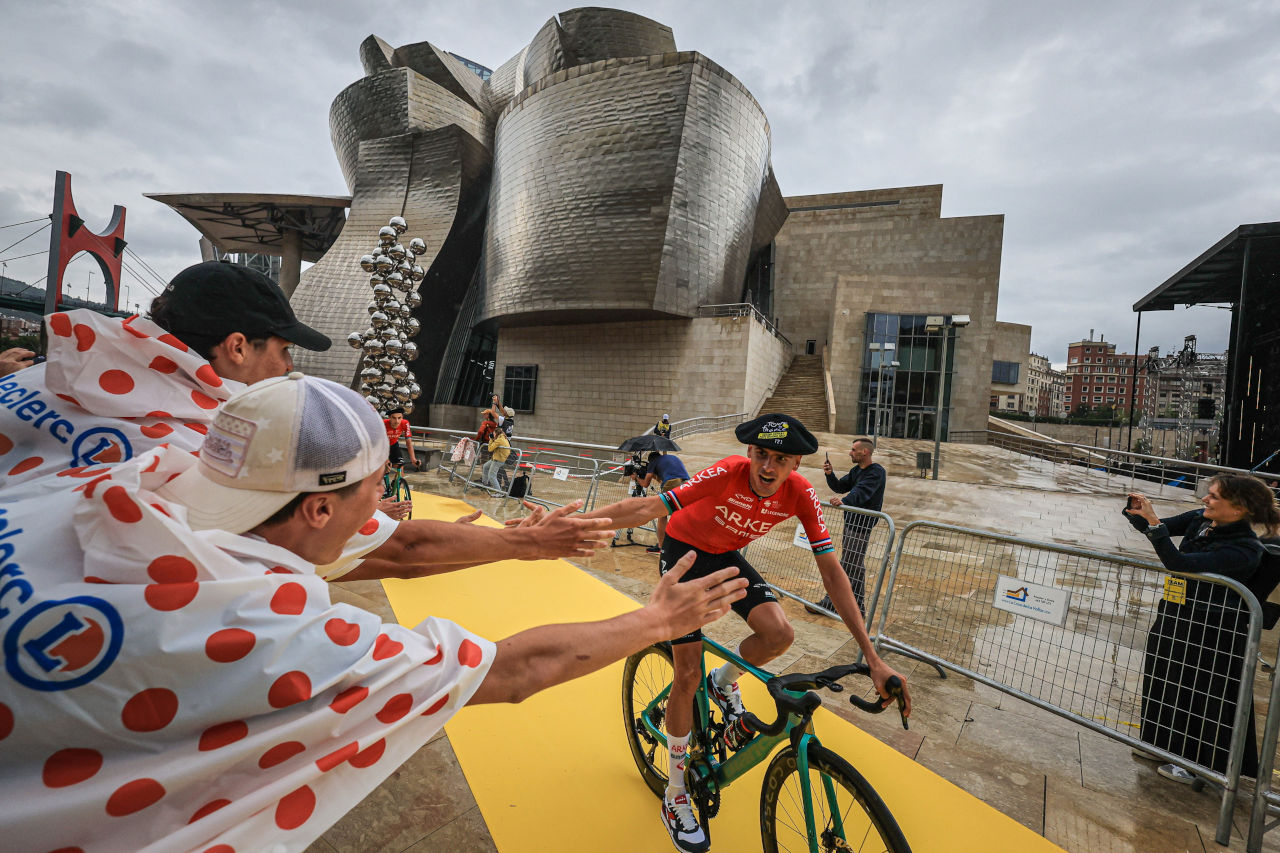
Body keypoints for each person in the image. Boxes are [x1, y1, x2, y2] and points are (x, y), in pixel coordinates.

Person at [0, 373, 747, 852]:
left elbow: (401, 549)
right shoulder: (281, 633)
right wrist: (654, 620)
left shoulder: (118, 479)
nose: (385, 509)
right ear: (320, 506)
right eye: (374, 492)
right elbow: (516, 670)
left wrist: (527, 546)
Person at [579, 413, 909, 853]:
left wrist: (873, 657)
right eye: (761, 455)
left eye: (781, 459)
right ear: (750, 453)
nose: (768, 468)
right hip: (684, 553)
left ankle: (723, 683)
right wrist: (574, 527)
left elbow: (833, 573)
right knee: (686, 674)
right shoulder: (726, 474)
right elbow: (646, 508)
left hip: (726, 555)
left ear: (796, 464)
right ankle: (675, 792)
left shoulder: (802, 495)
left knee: (780, 634)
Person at [0, 260, 331, 492]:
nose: (288, 365)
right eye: (284, 348)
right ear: (237, 347)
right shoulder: (197, 455)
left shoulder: (40, 375)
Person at [1124, 475, 1280, 785]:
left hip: (1213, 631)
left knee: (1203, 695)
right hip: (1176, 614)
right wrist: (1139, 512)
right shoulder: (1200, 519)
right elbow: (1159, 528)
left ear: (1238, 509)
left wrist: (1153, 522)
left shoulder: (1244, 549)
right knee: (1164, 677)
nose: (1205, 500)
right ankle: (1161, 744)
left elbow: (1179, 562)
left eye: (1213, 497)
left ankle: (1200, 765)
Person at [810, 436, 886, 614]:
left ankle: (832, 603)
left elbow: (862, 493)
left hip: (862, 524)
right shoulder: (856, 470)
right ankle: (857, 607)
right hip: (851, 522)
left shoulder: (876, 472)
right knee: (854, 564)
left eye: (853, 450)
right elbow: (840, 486)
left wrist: (844, 501)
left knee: (847, 564)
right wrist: (830, 474)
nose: (850, 453)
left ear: (864, 452)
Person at [636, 450, 690, 553]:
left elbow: (645, 484)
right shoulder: (671, 458)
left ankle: (661, 546)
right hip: (687, 483)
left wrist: (636, 478)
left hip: (672, 483)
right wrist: (655, 476)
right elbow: (665, 478)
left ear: (651, 459)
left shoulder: (653, 462)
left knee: (662, 514)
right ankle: (683, 543)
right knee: (680, 513)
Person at [383, 406, 419, 471]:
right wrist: (385, 460)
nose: (397, 421)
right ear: (389, 418)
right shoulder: (383, 424)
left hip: (394, 445)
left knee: (400, 465)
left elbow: (409, 443)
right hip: (381, 446)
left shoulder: (405, 423)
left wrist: (413, 459)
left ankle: (400, 480)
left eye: (399, 418)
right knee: (384, 468)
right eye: (394, 418)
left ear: (402, 417)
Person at [483, 427, 511, 493]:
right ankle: (485, 484)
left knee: (491, 476)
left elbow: (490, 449)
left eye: (493, 433)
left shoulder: (499, 440)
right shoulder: (503, 437)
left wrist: (490, 439)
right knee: (485, 467)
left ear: (496, 433)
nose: (493, 434)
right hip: (497, 458)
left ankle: (499, 492)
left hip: (498, 460)